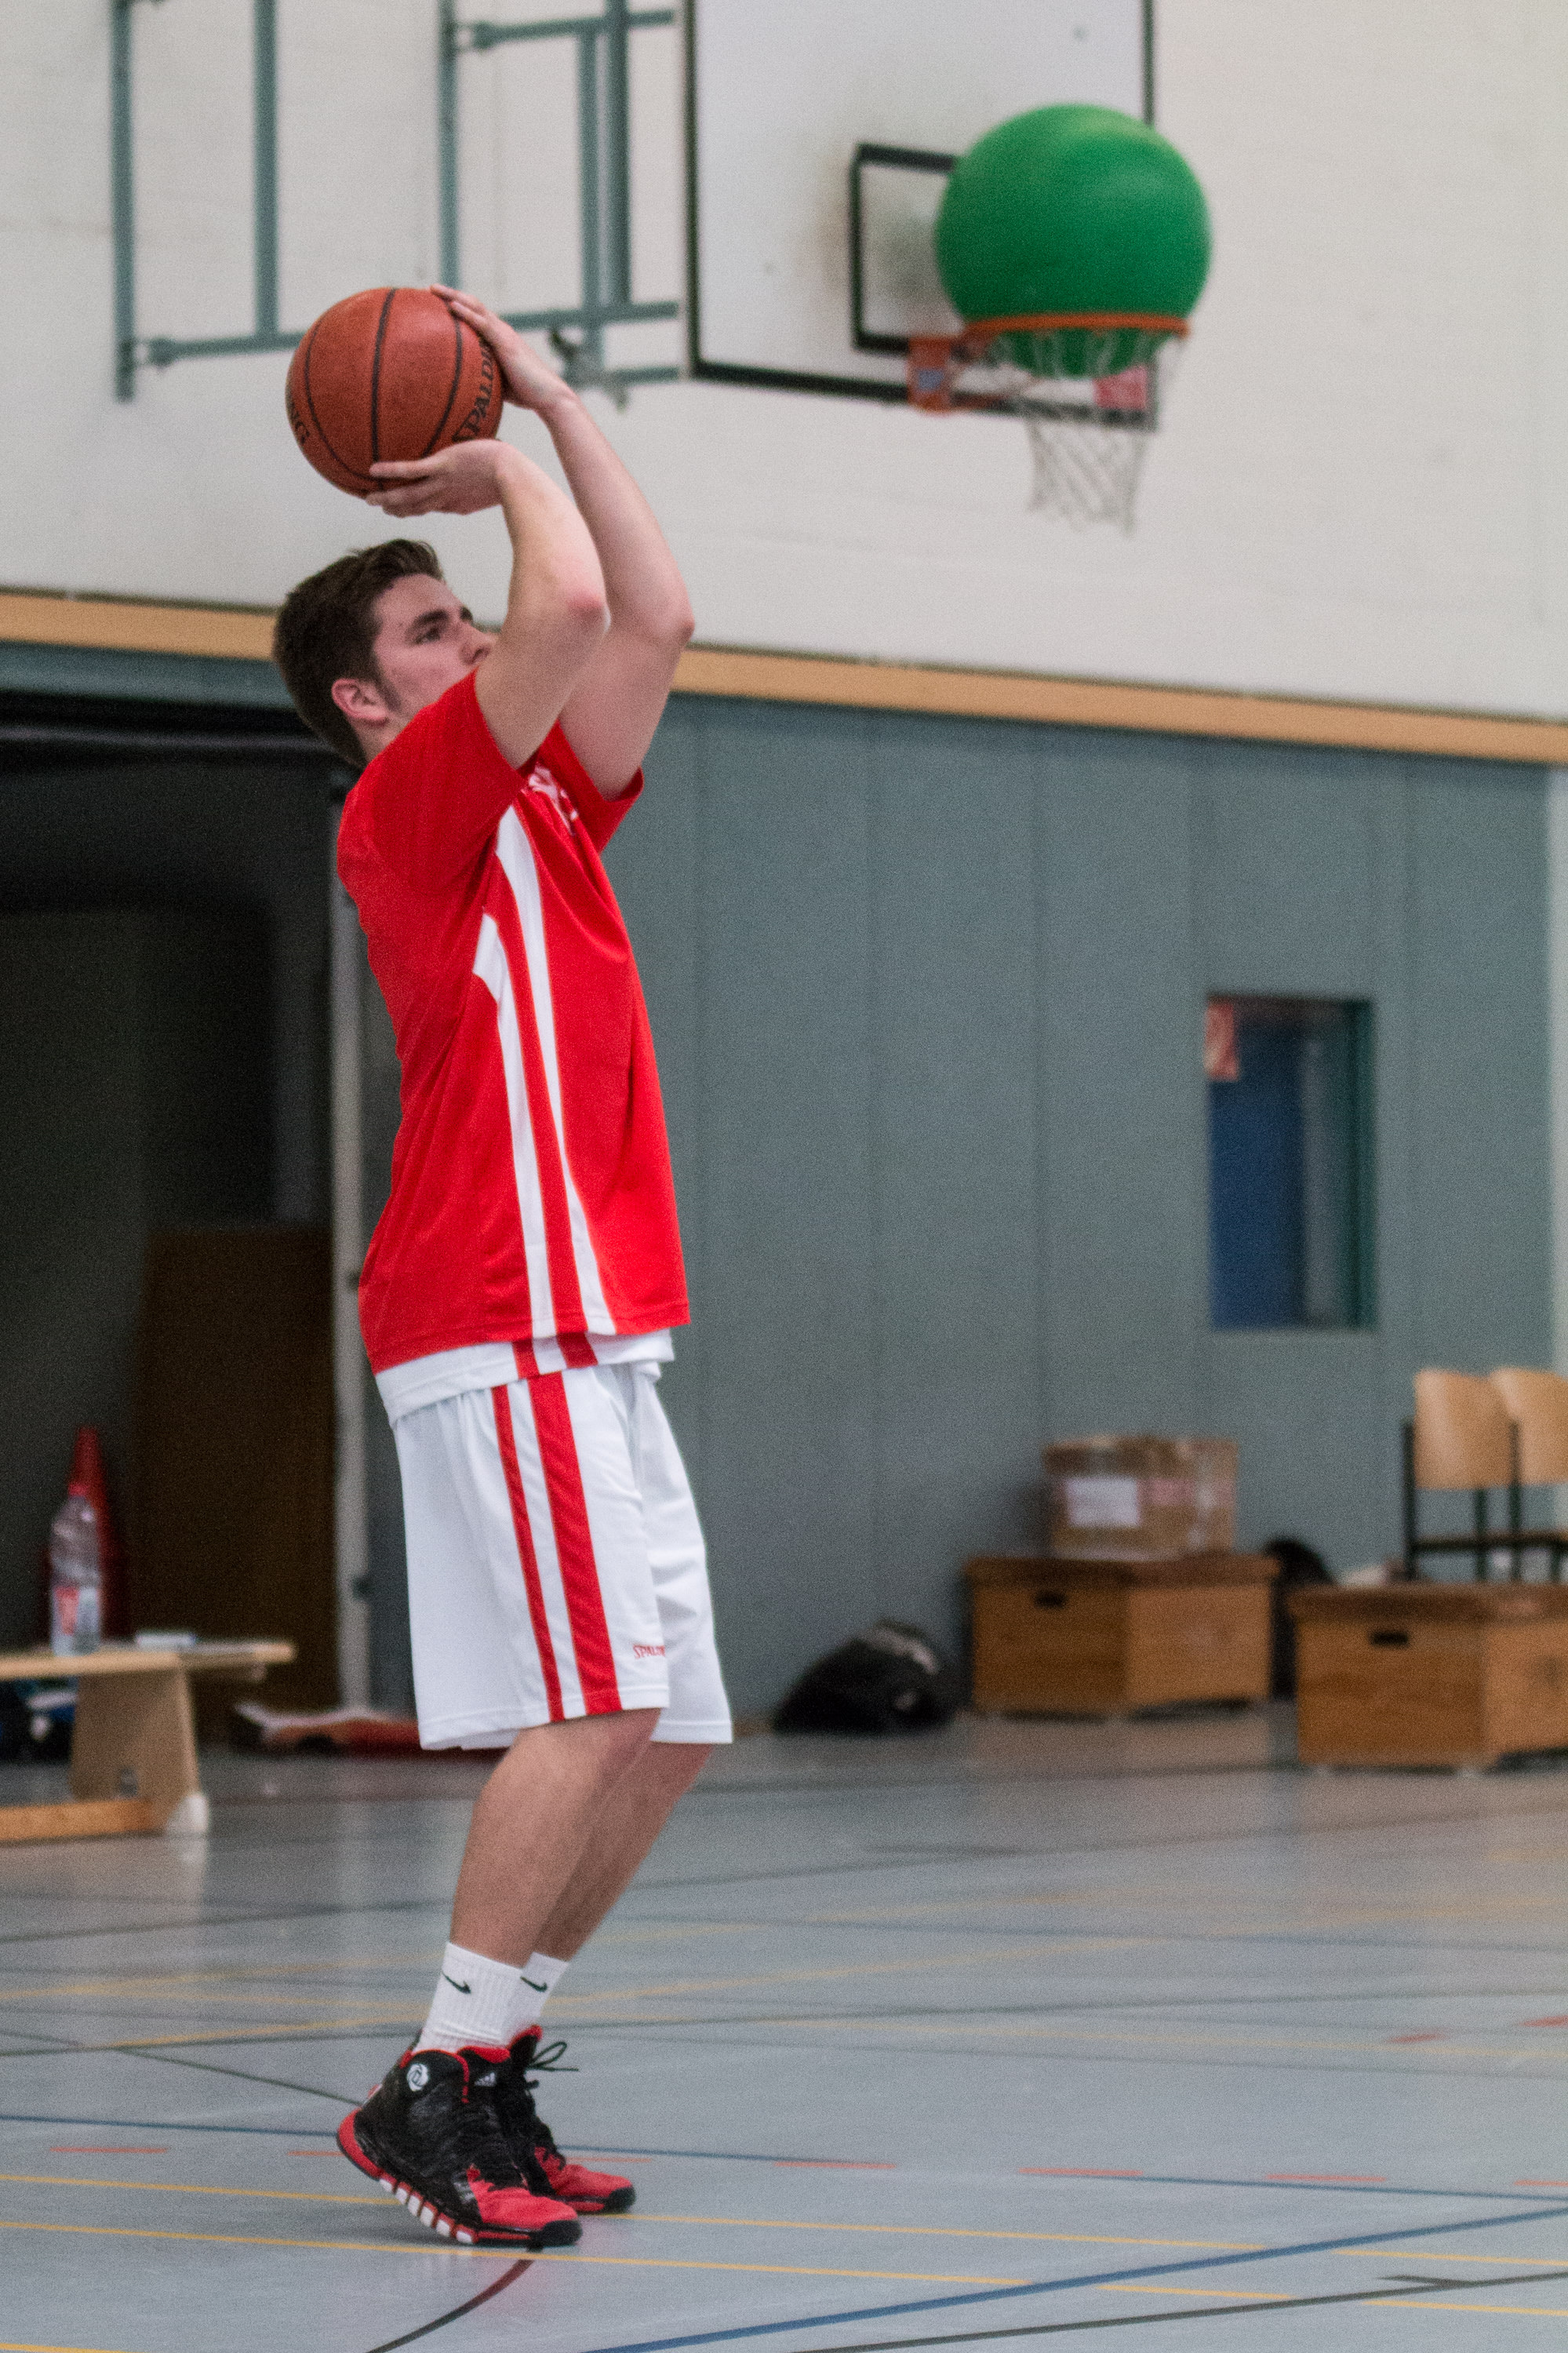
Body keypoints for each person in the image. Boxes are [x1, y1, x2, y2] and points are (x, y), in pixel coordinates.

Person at [272, 290, 731, 2252]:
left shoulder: (543, 795)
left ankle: (494, 2060)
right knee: (595, 1700)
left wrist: (545, 394)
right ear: (369, 701)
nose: (466, 633)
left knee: (670, 1724)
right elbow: (567, 607)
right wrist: (504, 465)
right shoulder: (409, 803)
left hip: (596, 1318)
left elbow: (652, 615)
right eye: (426, 629)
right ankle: (429, 2087)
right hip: (495, 1300)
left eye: (462, 614)